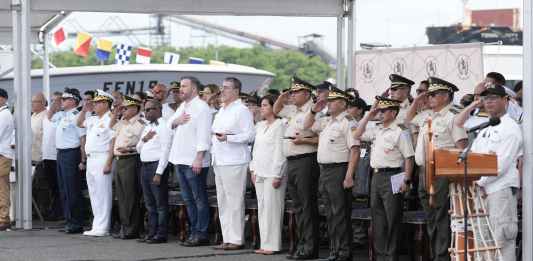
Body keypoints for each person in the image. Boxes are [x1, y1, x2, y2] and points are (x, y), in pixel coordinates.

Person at [407, 77, 468, 261]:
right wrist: (418, 100)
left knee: (441, 217)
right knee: (431, 218)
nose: (429, 98)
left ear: (446, 96)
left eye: (433, 95)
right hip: (425, 171)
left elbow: (462, 148)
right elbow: (408, 119)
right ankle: (436, 255)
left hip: (443, 173)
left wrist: (452, 175)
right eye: (429, 94)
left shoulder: (453, 117)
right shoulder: (428, 116)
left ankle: (442, 257)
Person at [354, 96, 415, 261]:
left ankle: (391, 256)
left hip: (393, 176)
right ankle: (380, 256)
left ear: (393, 112)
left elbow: (409, 158)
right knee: (378, 218)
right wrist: (368, 116)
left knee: (392, 218)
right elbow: (357, 134)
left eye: (383, 111)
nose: (380, 114)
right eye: (379, 110)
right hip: (376, 176)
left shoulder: (400, 132)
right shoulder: (377, 129)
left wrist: (407, 180)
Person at [303, 87, 359, 261]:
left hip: (339, 170)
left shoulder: (348, 122)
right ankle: (335, 251)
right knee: (330, 213)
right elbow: (307, 126)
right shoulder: (327, 121)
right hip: (325, 170)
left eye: (332, 101)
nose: (329, 104)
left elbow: (355, 150)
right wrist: (314, 110)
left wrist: (349, 175)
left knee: (340, 212)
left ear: (343, 104)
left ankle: (344, 252)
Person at [470, 84, 522, 261]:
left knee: (501, 243)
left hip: (500, 191)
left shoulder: (511, 128)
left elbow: (501, 164)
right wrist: (476, 183)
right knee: (483, 243)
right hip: (482, 192)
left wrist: (479, 182)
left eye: (493, 98)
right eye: (486, 99)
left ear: (505, 100)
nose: (488, 102)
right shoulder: (485, 128)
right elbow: (473, 157)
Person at [273, 77, 320, 260]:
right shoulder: (293, 110)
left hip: (306, 161)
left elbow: (320, 138)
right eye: (291, 92)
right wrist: (283, 96)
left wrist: (304, 141)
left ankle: (310, 248)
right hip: (292, 161)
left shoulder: (315, 111)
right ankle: (302, 245)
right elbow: (276, 110)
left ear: (307, 93)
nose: (292, 95)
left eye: (296, 92)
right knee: (298, 206)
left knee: (307, 206)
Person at [211, 77, 255, 251]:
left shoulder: (241, 110)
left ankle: (236, 239)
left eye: (227, 88)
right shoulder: (222, 110)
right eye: (222, 87)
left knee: (235, 201)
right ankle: (226, 237)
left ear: (236, 91)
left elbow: (250, 135)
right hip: (220, 160)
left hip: (234, 160)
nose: (223, 91)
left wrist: (229, 138)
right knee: (223, 202)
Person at [168, 76, 212, 247]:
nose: (181, 89)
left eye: (184, 86)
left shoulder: (202, 108)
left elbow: (204, 135)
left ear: (194, 89)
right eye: (180, 86)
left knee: (199, 199)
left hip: (194, 160)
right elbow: (169, 124)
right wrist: (176, 121)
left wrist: (199, 157)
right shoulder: (182, 106)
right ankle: (194, 231)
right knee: (188, 199)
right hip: (180, 159)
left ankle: (201, 233)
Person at [250, 95, 287, 255]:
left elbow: (280, 152)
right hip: (259, 171)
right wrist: (252, 169)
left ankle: (273, 245)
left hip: (273, 173)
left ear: (273, 107)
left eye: (265, 105)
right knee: (263, 208)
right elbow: (255, 150)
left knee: (273, 209)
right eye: (261, 105)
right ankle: (264, 243)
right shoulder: (260, 125)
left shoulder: (280, 125)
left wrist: (278, 174)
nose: (262, 108)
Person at [48, 88, 87, 234]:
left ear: (73, 100)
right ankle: (69, 220)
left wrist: (83, 159)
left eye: (64, 99)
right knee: (64, 189)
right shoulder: (63, 115)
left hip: (72, 154)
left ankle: (77, 222)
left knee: (72, 189)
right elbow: (49, 116)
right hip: (61, 154)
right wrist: (56, 103)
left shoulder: (77, 115)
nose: (61, 101)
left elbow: (82, 138)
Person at [77, 90, 114, 237]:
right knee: (94, 193)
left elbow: (113, 141)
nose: (94, 105)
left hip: (102, 158)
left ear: (105, 104)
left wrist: (109, 162)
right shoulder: (93, 119)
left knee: (103, 193)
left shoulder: (110, 118)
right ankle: (96, 225)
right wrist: (84, 110)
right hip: (91, 159)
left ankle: (103, 226)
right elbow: (79, 123)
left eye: (97, 103)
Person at [108, 95, 145, 239]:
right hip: (120, 160)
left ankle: (131, 229)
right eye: (122, 108)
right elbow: (110, 127)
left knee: (130, 196)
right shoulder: (123, 122)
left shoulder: (140, 123)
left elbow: (143, 143)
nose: (123, 111)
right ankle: (125, 226)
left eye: (126, 108)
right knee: (122, 196)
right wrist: (116, 113)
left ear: (135, 108)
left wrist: (131, 149)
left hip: (131, 160)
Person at [136, 99, 173, 244]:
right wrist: (144, 140)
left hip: (156, 166)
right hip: (144, 166)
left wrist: (159, 172)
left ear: (158, 110)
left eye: (150, 109)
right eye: (145, 110)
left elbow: (165, 151)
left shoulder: (164, 126)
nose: (146, 112)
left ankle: (161, 234)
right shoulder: (147, 127)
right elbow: (139, 149)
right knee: (149, 203)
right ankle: (151, 232)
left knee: (160, 203)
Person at [41, 92, 63, 219]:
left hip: (56, 155)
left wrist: (54, 109)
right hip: (47, 155)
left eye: (57, 100)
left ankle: (59, 212)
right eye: (52, 100)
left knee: (58, 186)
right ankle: (54, 210)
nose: (54, 103)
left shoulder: (60, 116)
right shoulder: (47, 115)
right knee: (51, 186)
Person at [0, 88, 14, 231]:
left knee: (2, 187)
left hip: (3, 155)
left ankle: (4, 219)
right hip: (3, 154)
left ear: (3, 98)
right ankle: (3, 217)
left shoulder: (4, 114)